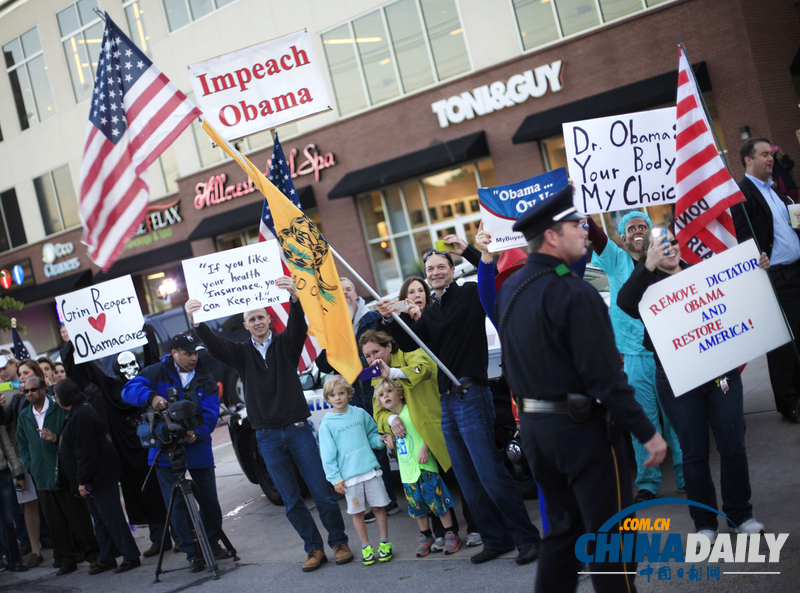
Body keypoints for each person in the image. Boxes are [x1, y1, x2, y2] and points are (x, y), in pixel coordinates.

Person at [496, 185, 667, 593]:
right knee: (611, 541)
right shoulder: (575, 292)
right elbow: (605, 379)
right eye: (576, 225)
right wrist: (647, 432)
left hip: (537, 432)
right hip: (583, 434)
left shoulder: (512, 289)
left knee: (563, 535)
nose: (584, 232)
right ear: (552, 236)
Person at [376, 236, 541, 565]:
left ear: (452, 270)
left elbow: (489, 280)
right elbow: (410, 344)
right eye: (429, 269)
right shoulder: (428, 311)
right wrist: (389, 319)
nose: (435, 272)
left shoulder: (468, 293)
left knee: (490, 471)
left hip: (470, 392)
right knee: (466, 476)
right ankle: (496, 539)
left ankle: (527, 538)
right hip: (446, 400)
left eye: (440, 267)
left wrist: (471, 250)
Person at [185, 275, 353, 572]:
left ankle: (339, 542)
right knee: (290, 499)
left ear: (269, 320)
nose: (258, 321)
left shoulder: (286, 345)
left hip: (298, 430)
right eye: (252, 319)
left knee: (322, 491)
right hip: (267, 437)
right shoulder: (240, 354)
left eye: (261, 316)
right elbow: (213, 344)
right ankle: (313, 549)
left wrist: (294, 298)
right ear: (246, 325)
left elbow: (299, 326)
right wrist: (195, 321)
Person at [618, 223, 767, 543]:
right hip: (676, 379)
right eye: (660, 245)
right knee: (694, 451)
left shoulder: (704, 273)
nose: (669, 247)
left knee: (732, 443)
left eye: (672, 241)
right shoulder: (647, 285)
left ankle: (741, 515)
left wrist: (758, 270)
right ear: (649, 253)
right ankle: (705, 523)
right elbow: (624, 302)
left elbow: (741, 293)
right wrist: (648, 266)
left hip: (720, 374)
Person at [586, 211, 685, 502]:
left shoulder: (665, 259)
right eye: (631, 228)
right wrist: (579, 206)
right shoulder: (615, 258)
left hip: (669, 350)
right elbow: (596, 235)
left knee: (678, 419)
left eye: (643, 226)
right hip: (634, 356)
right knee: (643, 421)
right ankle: (648, 484)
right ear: (624, 237)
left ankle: (685, 475)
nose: (638, 231)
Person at [122, 332, 227, 572]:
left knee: (209, 499)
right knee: (176, 502)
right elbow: (128, 391)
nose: (193, 357)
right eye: (188, 353)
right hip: (165, 449)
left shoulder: (204, 376)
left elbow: (211, 415)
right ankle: (191, 552)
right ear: (174, 353)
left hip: (197, 446)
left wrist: (196, 432)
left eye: (195, 352)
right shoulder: (155, 372)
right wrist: (150, 396)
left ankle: (212, 543)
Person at [359, 329, 472, 552]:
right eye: (368, 356)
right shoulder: (375, 375)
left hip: (435, 431)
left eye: (376, 351)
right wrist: (391, 419)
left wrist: (391, 372)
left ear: (389, 346)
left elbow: (425, 369)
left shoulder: (410, 352)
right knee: (425, 492)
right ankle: (438, 535)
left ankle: (475, 528)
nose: (373, 359)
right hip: (411, 450)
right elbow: (378, 411)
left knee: (460, 481)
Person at [62, 342, 171, 559]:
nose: (129, 369)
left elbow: (152, 357)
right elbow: (84, 372)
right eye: (124, 365)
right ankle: (159, 539)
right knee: (142, 493)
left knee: (163, 490)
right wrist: (74, 343)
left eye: (133, 363)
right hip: (127, 453)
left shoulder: (144, 384)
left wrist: (144, 332)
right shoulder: (111, 388)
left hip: (152, 445)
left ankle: (177, 535)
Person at [733, 137, 800, 423]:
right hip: (777, 276)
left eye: (770, 153)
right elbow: (740, 234)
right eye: (763, 154)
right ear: (749, 160)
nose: (770, 158)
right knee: (784, 344)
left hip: (797, 270)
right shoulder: (741, 193)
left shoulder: (778, 193)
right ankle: (788, 403)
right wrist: (754, 256)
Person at [53, 379, 141, 574]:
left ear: (64, 396)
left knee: (112, 518)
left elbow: (86, 451)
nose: (55, 399)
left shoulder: (82, 414)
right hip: (92, 478)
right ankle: (108, 557)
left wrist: (83, 480)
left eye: (57, 395)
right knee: (100, 520)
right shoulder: (75, 412)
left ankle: (131, 556)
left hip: (98, 477)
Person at [16, 376, 99, 576]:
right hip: (42, 477)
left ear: (44, 389)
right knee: (54, 522)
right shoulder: (24, 415)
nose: (30, 394)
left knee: (77, 517)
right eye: (26, 391)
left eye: (34, 390)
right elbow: (23, 444)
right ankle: (66, 559)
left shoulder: (58, 408)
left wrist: (56, 439)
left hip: (64, 472)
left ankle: (93, 555)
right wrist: (31, 465)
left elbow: (72, 437)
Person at [375, 378, 461, 558]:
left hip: (425, 467)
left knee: (437, 501)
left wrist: (425, 449)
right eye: (382, 395)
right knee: (417, 507)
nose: (386, 396)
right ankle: (426, 536)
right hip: (407, 473)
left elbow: (429, 430)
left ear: (399, 393)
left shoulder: (411, 412)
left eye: (389, 392)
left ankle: (450, 533)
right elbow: (388, 436)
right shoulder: (391, 422)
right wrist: (387, 437)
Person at [339, 277, 399, 517]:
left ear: (356, 294)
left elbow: (388, 348)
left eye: (349, 289)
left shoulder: (371, 319)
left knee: (388, 443)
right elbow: (324, 363)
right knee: (370, 448)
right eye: (339, 291)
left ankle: (393, 500)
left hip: (378, 391)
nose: (345, 294)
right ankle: (384, 502)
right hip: (355, 397)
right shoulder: (337, 327)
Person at [319, 376, 392, 566]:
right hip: (350, 479)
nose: (338, 398)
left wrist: (381, 440)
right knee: (358, 513)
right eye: (333, 395)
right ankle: (366, 546)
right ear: (327, 399)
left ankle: (384, 543)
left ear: (349, 394)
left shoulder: (359, 413)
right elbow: (328, 455)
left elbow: (371, 435)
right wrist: (335, 479)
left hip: (369, 471)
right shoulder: (327, 424)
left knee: (378, 508)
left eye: (341, 393)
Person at [0, 353, 45, 568]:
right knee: (28, 506)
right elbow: (5, 423)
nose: (22, 378)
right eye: (20, 375)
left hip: (45, 457)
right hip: (24, 459)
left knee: (52, 502)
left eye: (25, 373)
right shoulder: (16, 398)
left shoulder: (51, 397)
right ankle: (35, 551)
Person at [0, 420, 27, 572]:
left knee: (8, 520)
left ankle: (15, 559)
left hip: (2, 474)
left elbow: (7, 445)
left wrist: (18, 471)